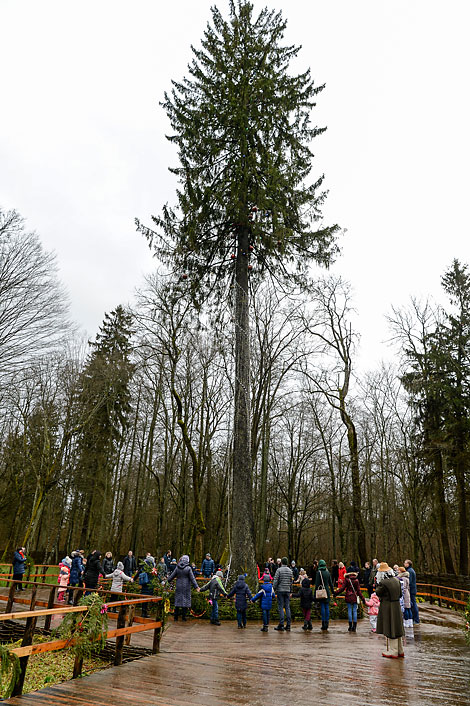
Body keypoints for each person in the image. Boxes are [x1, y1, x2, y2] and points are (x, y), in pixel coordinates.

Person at [375, 562, 405, 658]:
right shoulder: (396, 580)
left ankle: (393, 650)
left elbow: (378, 592)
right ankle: (400, 650)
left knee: (390, 627)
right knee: (397, 627)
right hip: (396, 605)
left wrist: (377, 584)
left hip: (388, 606)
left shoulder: (383, 583)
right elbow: (400, 594)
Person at [167, 554, 200, 621]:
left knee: (178, 602)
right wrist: (196, 587)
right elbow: (192, 578)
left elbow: (171, 576)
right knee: (185, 602)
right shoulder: (188, 568)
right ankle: (183, 617)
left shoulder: (177, 567)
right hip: (186, 587)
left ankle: (175, 617)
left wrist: (166, 582)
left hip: (178, 586)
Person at [334, 564, 366, 632]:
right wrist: (363, 599)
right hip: (354, 597)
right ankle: (354, 626)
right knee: (354, 611)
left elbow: (342, 589)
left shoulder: (346, 580)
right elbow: (359, 591)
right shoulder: (356, 580)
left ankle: (350, 626)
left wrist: (336, 593)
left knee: (349, 611)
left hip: (348, 596)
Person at [273, 556, 293, 631]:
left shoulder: (279, 570)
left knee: (280, 607)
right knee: (287, 607)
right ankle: (288, 624)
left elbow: (276, 580)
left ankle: (281, 624)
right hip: (287, 590)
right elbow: (291, 582)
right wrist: (291, 591)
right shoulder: (290, 571)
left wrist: (274, 589)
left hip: (280, 590)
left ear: (281, 562)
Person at [314, 559, 334, 631]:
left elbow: (316, 584)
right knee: (327, 607)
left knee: (322, 607)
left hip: (321, 591)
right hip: (327, 591)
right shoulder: (327, 573)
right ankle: (327, 623)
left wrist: (314, 595)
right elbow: (331, 584)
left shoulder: (318, 573)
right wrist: (333, 592)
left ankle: (323, 623)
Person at [404, 559, 419, 624]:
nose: (404, 564)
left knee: (413, 604)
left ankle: (416, 619)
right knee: (412, 604)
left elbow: (409, 582)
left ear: (408, 564)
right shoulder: (410, 570)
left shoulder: (410, 571)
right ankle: (414, 618)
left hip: (411, 590)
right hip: (412, 589)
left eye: (405, 563)